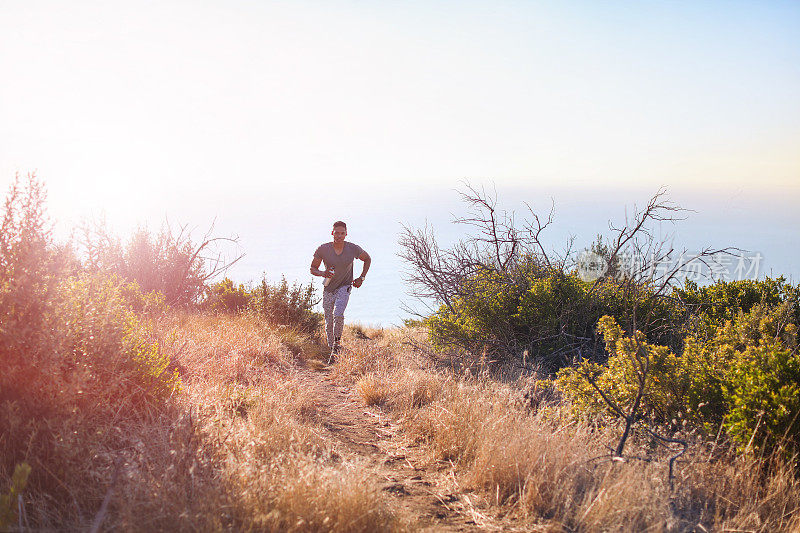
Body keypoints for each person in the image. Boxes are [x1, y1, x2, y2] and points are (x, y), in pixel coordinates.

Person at [310, 221, 371, 359]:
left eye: (342, 233)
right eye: (336, 233)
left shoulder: (352, 249)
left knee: (338, 313)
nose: (339, 236)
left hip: (345, 286)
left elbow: (367, 259)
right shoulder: (323, 249)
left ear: (346, 234)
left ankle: (337, 344)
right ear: (332, 233)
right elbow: (312, 268)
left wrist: (361, 277)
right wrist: (323, 273)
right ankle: (332, 349)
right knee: (328, 320)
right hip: (328, 288)